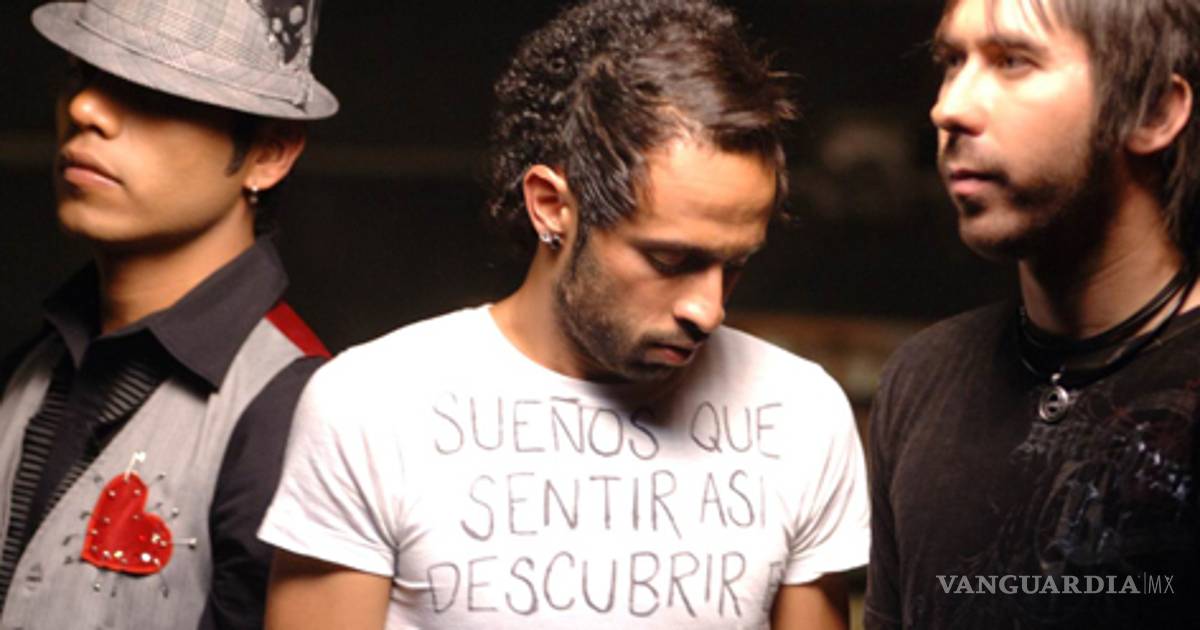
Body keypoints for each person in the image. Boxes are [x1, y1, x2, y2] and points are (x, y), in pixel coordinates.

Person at [258, 0, 870, 628]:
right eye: (669, 259)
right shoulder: (373, 407)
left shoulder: (801, 414)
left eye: (734, 263)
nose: (708, 310)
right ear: (551, 205)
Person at [0, 1, 337, 628]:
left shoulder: (296, 413)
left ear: (269, 152)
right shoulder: (31, 369)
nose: (85, 108)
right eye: (80, 71)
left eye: (152, 90)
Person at [865, 0, 1200, 627]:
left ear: (1153, 110)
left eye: (1013, 61)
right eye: (952, 61)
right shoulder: (922, 377)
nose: (948, 107)